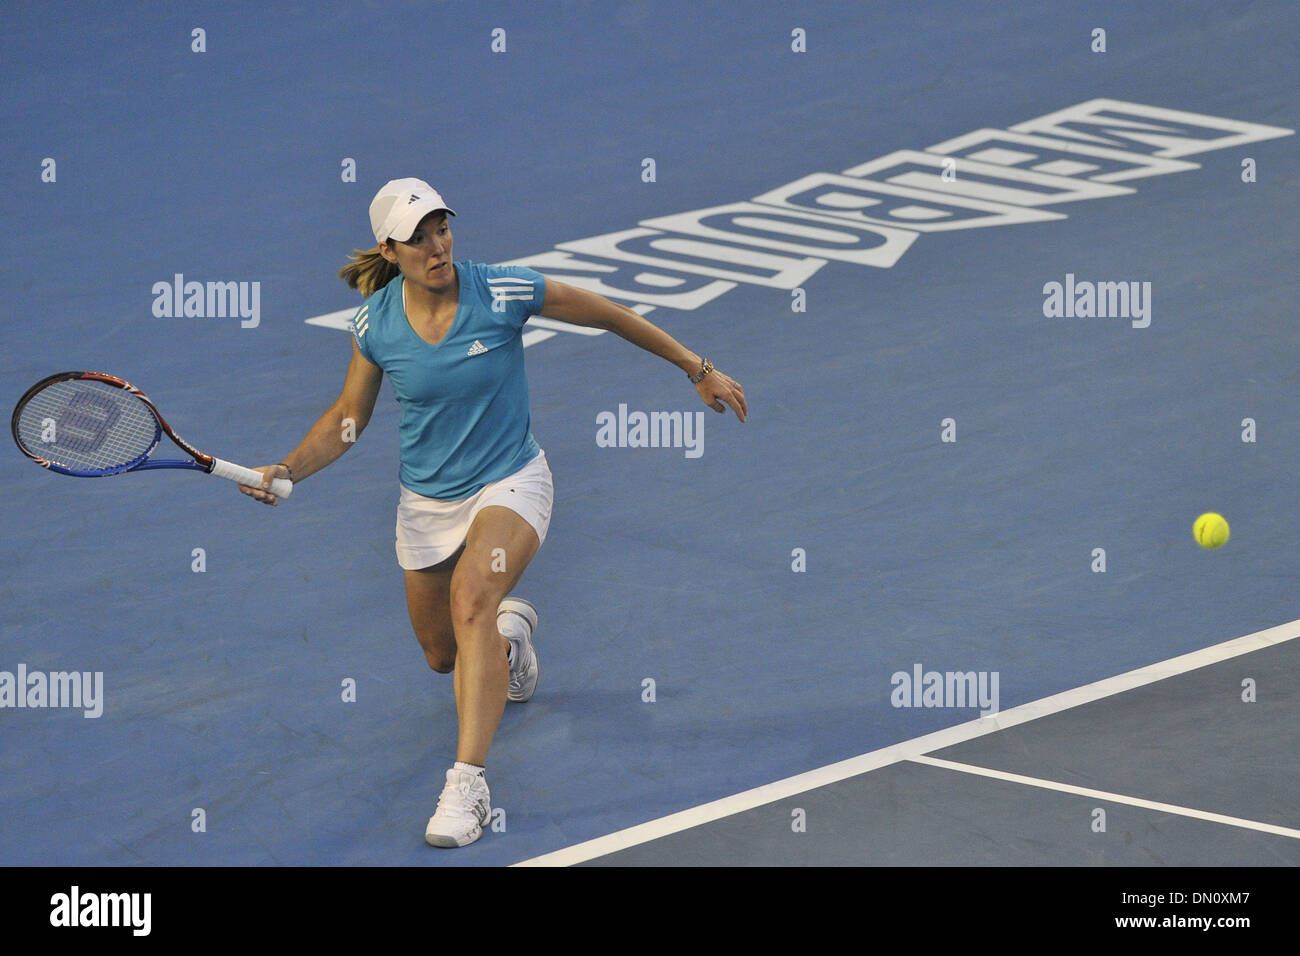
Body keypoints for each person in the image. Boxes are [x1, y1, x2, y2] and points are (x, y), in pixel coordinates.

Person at [238, 177, 747, 847]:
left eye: (442, 228)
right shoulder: (375, 323)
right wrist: (289, 467)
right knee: (441, 654)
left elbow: (604, 312)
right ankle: (510, 643)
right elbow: (348, 418)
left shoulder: (502, 291)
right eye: (418, 238)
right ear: (389, 251)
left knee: (472, 596)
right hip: (426, 502)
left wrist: (694, 365)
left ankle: (467, 786)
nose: (437, 245)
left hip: (511, 480)